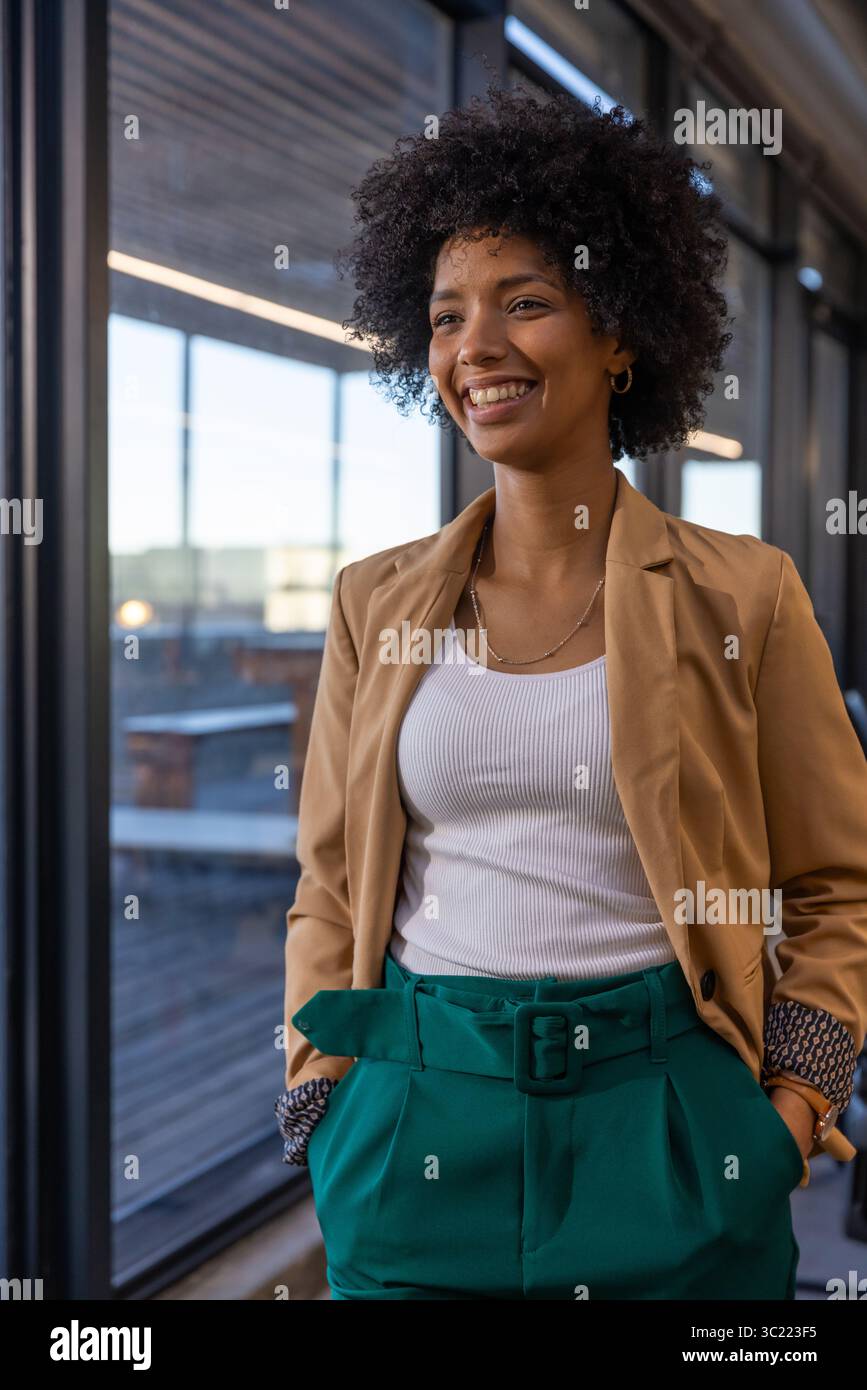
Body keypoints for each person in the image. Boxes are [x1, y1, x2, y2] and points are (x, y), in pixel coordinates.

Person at [274, 85, 867, 1300]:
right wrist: (316, 1098)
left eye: (525, 303)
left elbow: (834, 885)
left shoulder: (744, 595)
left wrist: (794, 1112)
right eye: (446, 317)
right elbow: (332, 882)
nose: (474, 347)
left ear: (622, 337)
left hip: (669, 1125)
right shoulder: (373, 602)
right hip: (414, 1130)